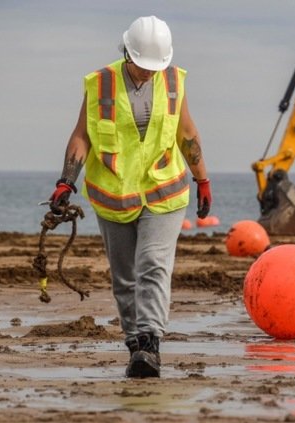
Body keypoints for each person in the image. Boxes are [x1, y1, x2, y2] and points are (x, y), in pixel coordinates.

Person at [48, 15, 212, 378]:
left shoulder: (173, 80)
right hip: (113, 195)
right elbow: (82, 136)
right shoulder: (100, 84)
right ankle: (135, 344)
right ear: (127, 53)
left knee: (153, 262)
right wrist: (66, 181)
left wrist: (202, 179)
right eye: (141, 66)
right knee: (124, 277)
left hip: (164, 191)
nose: (148, 73)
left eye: (155, 67)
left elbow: (186, 132)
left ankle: (151, 342)